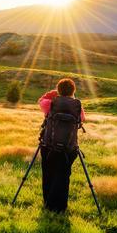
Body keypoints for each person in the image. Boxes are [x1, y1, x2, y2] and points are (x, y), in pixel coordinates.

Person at [38, 78, 85, 213]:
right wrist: (72, 98)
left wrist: (52, 94)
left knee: (48, 173)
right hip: (69, 149)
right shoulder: (77, 106)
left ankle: (48, 205)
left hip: (49, 146)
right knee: (63, 175)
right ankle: (60, 207)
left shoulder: (50, 103)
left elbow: (40, 101)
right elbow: (82, 119)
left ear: (58, 90)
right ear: (73, 91)